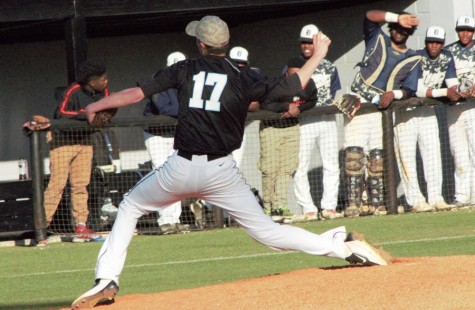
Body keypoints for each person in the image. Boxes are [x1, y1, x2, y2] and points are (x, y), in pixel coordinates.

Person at [71, 15, 388, 309]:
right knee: (268, 233)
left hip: (181, 167)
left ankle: (106, 280)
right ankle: (339, 244)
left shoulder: (184, 69)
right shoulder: (243, 76)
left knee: (130, 206)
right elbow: (292, 88)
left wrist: (98, 104)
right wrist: (318, 55)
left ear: (201, 44)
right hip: (221, 171)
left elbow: (136, 94)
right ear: (224, 44)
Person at [343, 10, 420, 217]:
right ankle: (354, 203)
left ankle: (376, 203)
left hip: (382, 108)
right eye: (398, 27)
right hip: (358, 100)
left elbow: (409, 89)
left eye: (406, 29)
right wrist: (396, 17)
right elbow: (368, 16)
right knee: (354, 154)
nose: (400, 32)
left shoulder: (413, 58)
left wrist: (393, 93)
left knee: (378, 157)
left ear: (410, 32)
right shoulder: (377, 39)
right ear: (392, 27)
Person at [39, 61, 108, 245]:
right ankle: (41, 228)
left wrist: (100, 117)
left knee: (81, 184)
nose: (106, 81)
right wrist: (86, 114)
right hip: (63, 141)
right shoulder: (74, 90)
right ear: (92, 82)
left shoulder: (105, 92)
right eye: (102, 79)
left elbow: (107, 111)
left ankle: (81, 225)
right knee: (57, 184)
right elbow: (61, 113)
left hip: (85, 140)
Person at [394, 26, 459, 213]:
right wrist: (447, 92)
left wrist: (459, 91)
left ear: (443, 43)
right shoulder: (416, 57)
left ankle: (436, 198)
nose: (434, 45)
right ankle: (416, 201)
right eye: (431, 41)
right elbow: (419, 90)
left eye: (438, 42)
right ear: (426, 42)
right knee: (406, 158)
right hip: (406, 111)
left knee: (433, 155)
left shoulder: (447, 57)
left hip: (427, 110)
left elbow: (453, 84)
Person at [289, 24, 343, 220]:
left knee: (331, 164)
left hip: (326, 118)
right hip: (304, 120)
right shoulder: (294, 64)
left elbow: (333, 91)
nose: (305, 46)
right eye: (303, 42)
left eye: (310, 42)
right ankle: (308, 209)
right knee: (300, 165)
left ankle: (329, 207)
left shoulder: (329, 66)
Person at [143, 51, 190, 235]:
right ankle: (165, 221)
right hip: (156, 134)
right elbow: (165, 108)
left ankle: (174, 220)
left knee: (177, 176)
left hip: (175, 133)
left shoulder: (190, 81)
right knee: (162, 175)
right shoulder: (159, 79)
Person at [444, 16, 475, 208]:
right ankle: (462, 196)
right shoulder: (448, 51)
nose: (465, 33)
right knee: (458, 151)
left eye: (468, 30)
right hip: (455, 107)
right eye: (461, 30)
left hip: (474, 106)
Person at [228, 46, 260, 168]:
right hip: (217, 128)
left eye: (242, 63)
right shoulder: (218, 75)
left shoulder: (252, 77)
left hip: (239, 129)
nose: (238, 66)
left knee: (235, 166)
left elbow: (255, 104)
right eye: (235, 62)